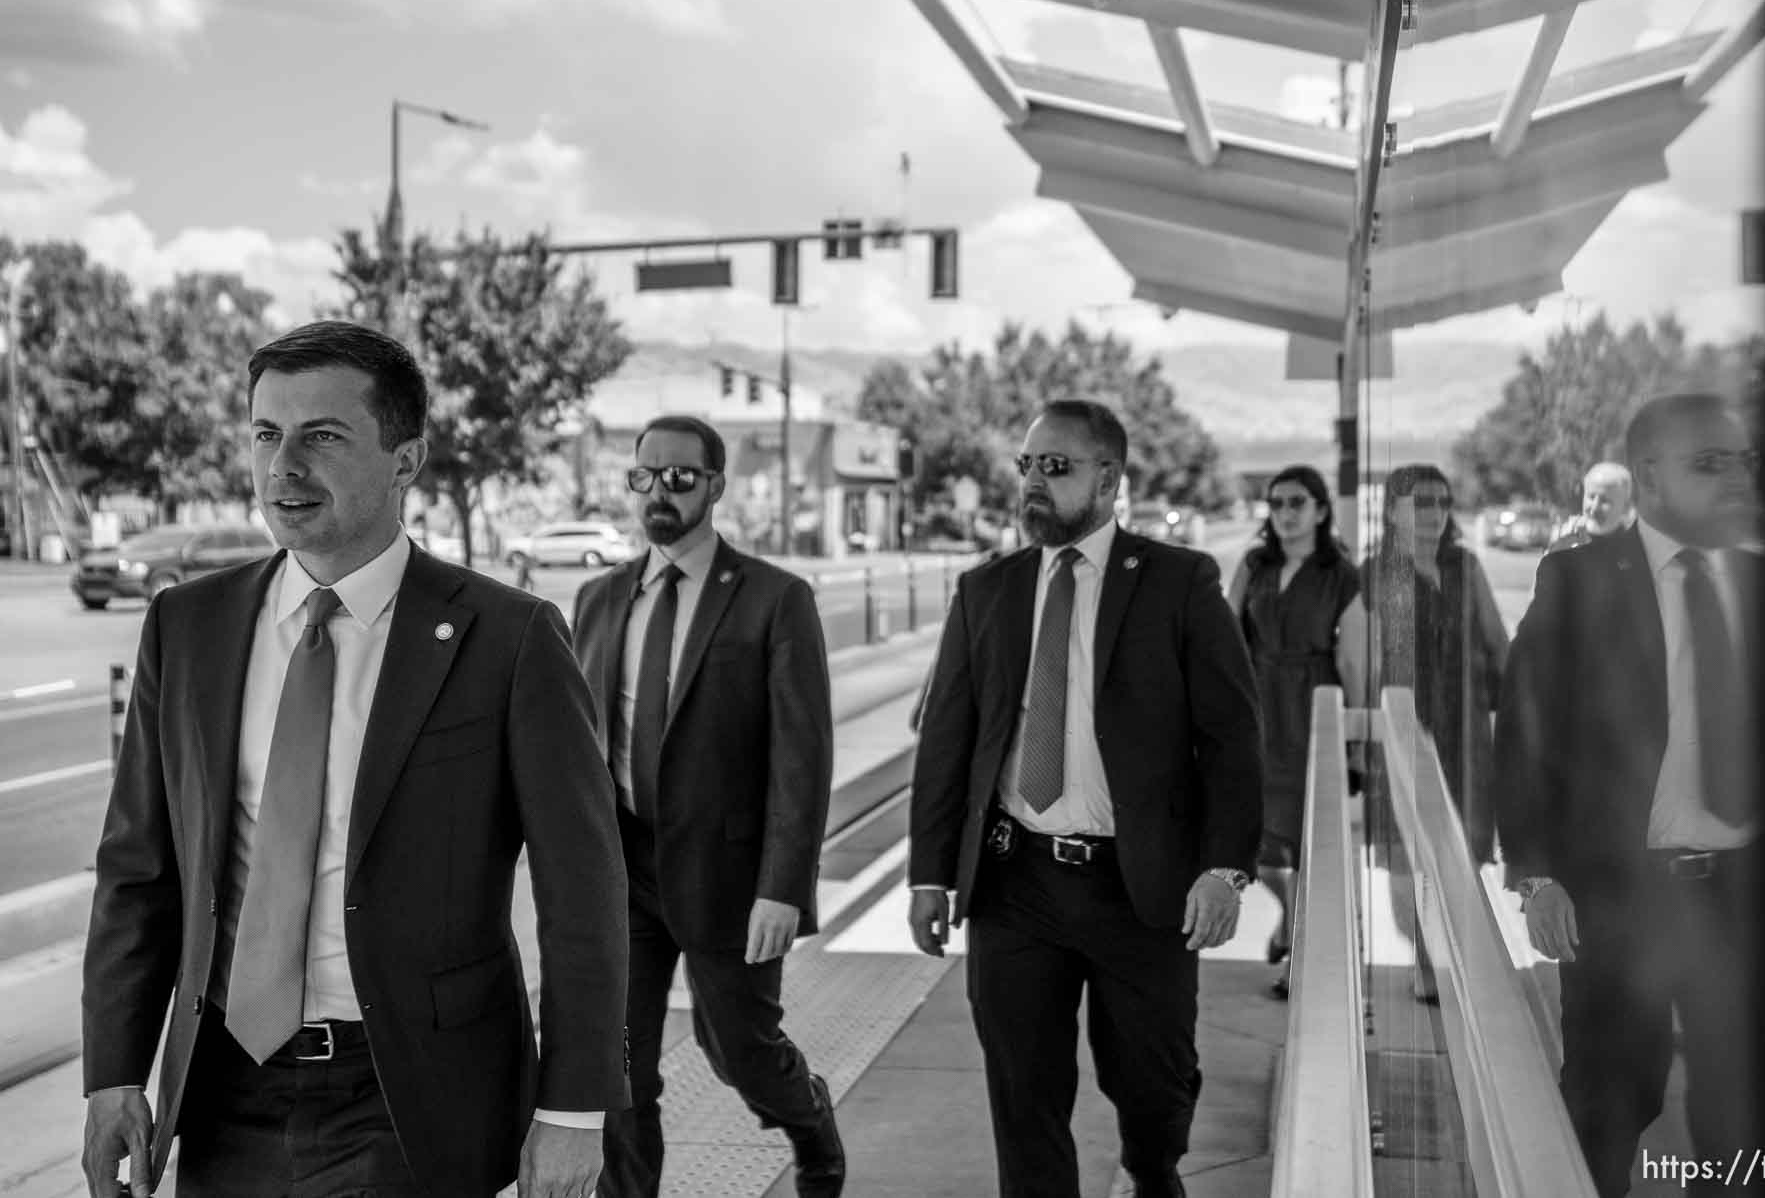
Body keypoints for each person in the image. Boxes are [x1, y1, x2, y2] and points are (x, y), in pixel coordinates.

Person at [80, 320, 630, 1198]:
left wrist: (575, 1109)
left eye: (322, 437)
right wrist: (113, 1072)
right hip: (226, 1089)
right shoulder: (189, 628)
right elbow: (139, 869)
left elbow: (584, 894)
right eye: (266, 435)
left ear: (406, 460)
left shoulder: (510, 639)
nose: (283, 467)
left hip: (411, 1093)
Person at [1494, 393, 1765, 1198]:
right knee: (1607, 1106)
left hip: (1747, 902)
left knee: (1745, 1124)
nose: (1737, 478)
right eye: (1711, 463)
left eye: (1741, 461)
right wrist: (1536, 876)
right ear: (1651, 477)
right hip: (1615, 896)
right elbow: (1525, 739)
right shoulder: (1576, 581)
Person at [906, 399, 1262, 1198]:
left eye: (1054, 467)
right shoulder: (985, 591)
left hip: (1140, 888)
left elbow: (1233, 737)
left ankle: (1150, 1168)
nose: (1033, 482)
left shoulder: (1179, 582)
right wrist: (930, 874)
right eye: (1026, 466)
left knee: (1154, 1087)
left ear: (1108, 477)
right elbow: (948, 746)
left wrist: (1225, 869)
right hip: (1014, 882)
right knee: (1023, 1097)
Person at [570, 414, 844, 1198]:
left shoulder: (774, 599)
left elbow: (802, 756)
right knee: (620, 1068)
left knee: (740, 1051)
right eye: (644, 477)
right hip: (623, 873)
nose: (660, 492)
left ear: (716, 486)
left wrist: (783, 886)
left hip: (728, 876)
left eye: (680, 478)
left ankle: (808, 1119)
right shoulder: (596, 599)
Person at [1360, 463, 1509, 1000]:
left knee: (1463, 853)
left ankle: (1455, 955)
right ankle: (1424, 955)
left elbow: (1498, 644)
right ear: (1393, 509)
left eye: (1443, 501)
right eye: (1420, 501)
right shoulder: (1374, 573)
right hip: (1403, 732)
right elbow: (1362, 664)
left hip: (1465, 730)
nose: (1435, 512)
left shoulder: (1466, 567)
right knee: (1406, 860)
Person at [1224, 464, 1366, 999]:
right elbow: (1223, 635)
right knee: (1251, 844)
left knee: (1309, 845)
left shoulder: (1341, 576)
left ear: (1321, 511)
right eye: (1277, 503)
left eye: (1297, 503)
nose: (1285, 513)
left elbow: (1353, 662)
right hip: (1255, 709)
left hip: (1313, 709)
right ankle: (1288, 916)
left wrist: (1352, 744)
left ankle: (1298, 962)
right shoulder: (1254, 566)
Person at [1547, 461, 1635, 554]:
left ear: (1626, 507)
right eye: (1591, 497)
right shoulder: (1564, 545)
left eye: (1605, 501)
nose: (1595, 507)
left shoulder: (1637, 551)